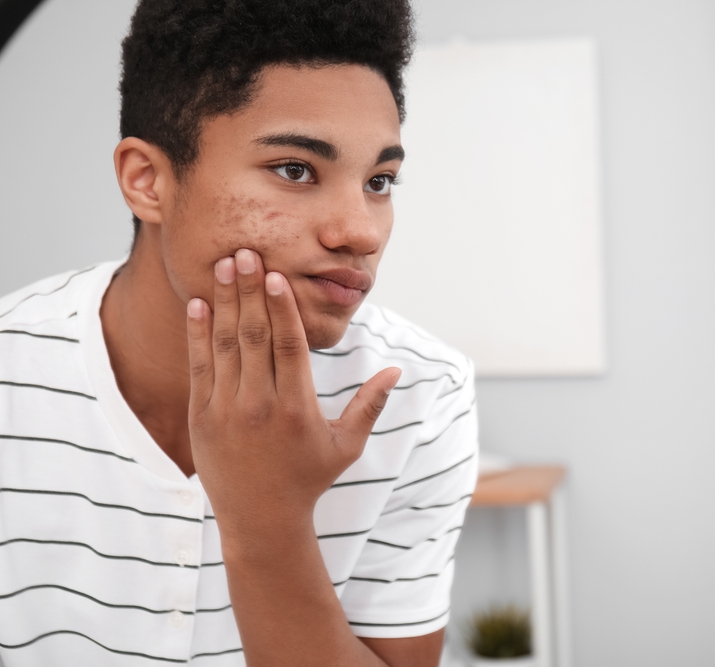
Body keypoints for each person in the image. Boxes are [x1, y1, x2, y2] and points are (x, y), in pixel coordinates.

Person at [0, 1, 478, 665]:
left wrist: (269, 520)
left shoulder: (419, 394)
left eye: (379, 181)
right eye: (295, 169)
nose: (362, 231)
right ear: (147, 181)